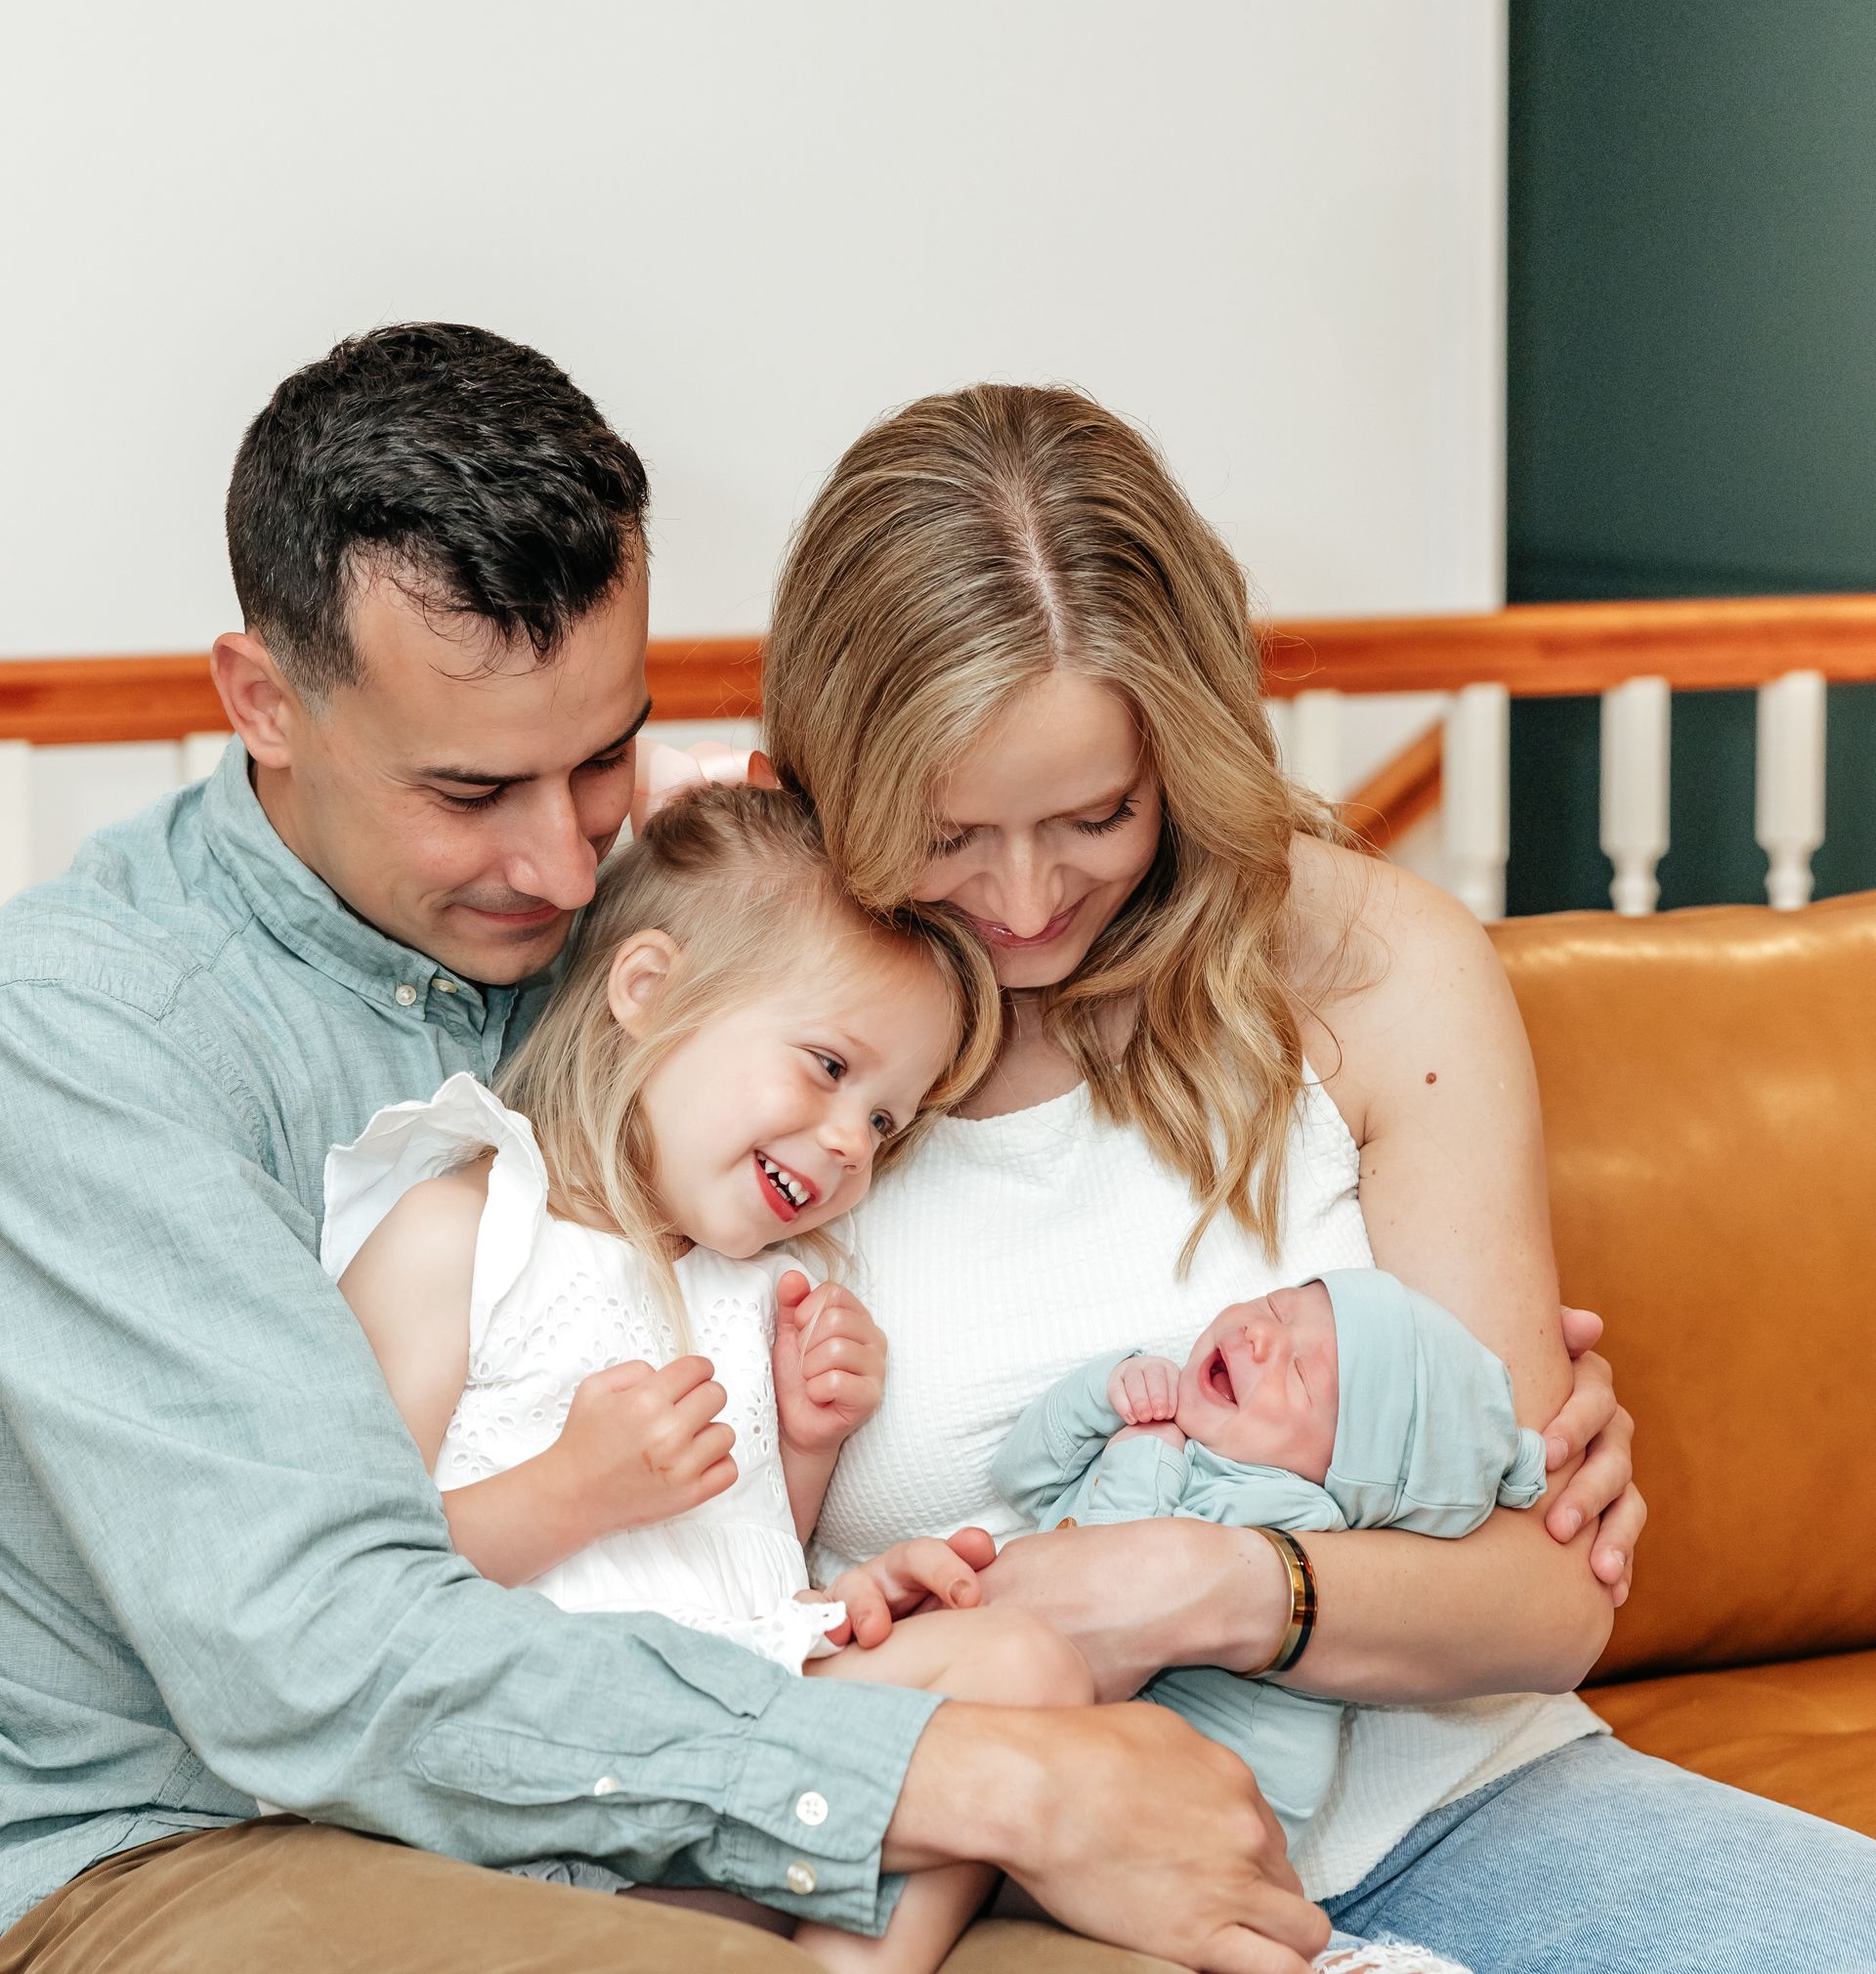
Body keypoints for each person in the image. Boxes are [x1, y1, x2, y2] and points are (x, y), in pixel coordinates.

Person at [0, 329, 1331, 1974]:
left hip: (647, 1764)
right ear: (265, 702)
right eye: (471, 792)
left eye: (601, 758)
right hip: (188, 1838)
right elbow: (311, 1656)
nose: (565, 867)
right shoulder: (89, 1034)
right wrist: (975, 1779)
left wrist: (1442, 1409)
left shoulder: (672, 906)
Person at [747, 381, 1876, 1974]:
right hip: (1012, 1871)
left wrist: (1206, 1586)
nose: (1025, 901)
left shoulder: (1364, 961)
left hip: (1468, 1802)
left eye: (1096, 816)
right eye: (946, 837)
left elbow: (1550, 1601)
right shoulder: (761, 1040)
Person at [326, 778, 1101, 1974]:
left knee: (1027, 1664)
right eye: (828, 1066)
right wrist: (569, 1493)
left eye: (886, 1122)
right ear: (647, 992)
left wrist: (805, 1452)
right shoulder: (461, 1230)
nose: (850, 1143)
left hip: (736, 1743)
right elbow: (344, 1586)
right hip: (541, 1757)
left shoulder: (757, 1286)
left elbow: (735, 1566)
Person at [992, 1272, 1548, 1847]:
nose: (1260, 1335)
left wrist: (1143, 1454)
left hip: (1197, 1823)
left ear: (1342, 1475)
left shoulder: (1291, 1512)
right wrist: (1108, 1388)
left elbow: (1110, 1597)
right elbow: (1020, 1480)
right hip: (1077, 1746)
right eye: (1277, 1307)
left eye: (1301, 1375)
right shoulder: (1189, 1437)